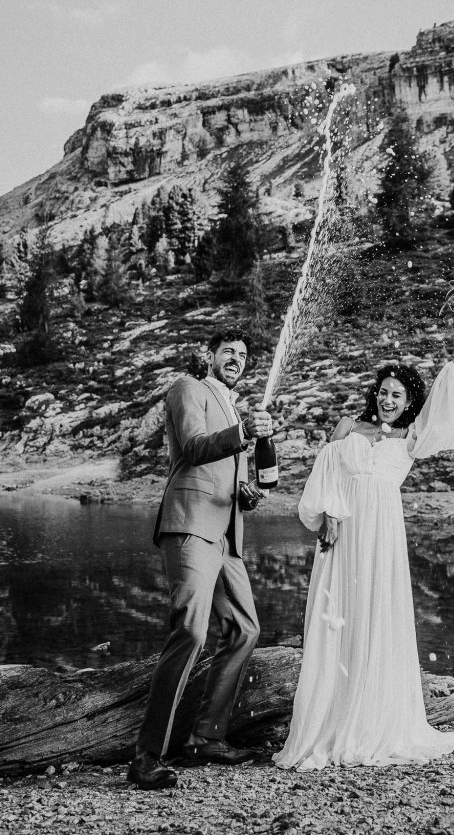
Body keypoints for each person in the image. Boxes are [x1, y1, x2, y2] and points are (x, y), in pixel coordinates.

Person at [273, 322, 454, 771]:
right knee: (338, 619)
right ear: (375, 394)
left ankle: (372, 720)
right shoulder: (348, 426)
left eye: (398, 396)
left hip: (382, 536)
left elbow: (447, 393)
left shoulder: (411, 438)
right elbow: (325, 473)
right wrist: (328, 512)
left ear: (409, 403)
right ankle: (328, 721)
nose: (387, 401)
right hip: (344, 532)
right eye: (383, 392)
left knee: (376, 616)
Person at [128, 329, 272, 791]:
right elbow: (193, 448)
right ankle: (147, 755)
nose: (237, 359)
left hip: (226, 534)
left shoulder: (233, 406)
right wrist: (244, 431)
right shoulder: (188, 388)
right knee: (190, 629)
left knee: (245, 630)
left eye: (243, 355)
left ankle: (207, 735)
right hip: (190, 523)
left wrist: (245, 494)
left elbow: (225, 468)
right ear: (209, 357)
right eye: (228, 352)